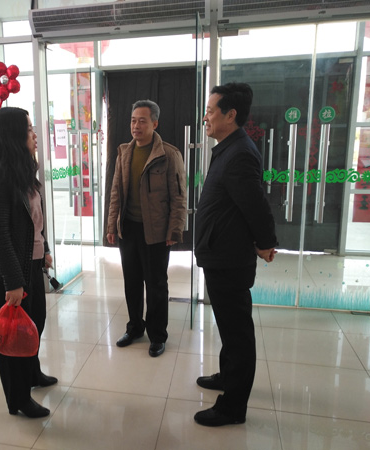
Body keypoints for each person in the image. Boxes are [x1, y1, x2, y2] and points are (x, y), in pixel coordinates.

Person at [193, 82, 277, 427]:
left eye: (210, 111)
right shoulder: (229, 147)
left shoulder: (239, 152)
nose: (205, 118)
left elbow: (255, 205)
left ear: (230, 115)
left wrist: (266, 242)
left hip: (229, 257)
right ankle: (228, 375)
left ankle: (232, 407)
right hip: (220, 253)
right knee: (229, 327)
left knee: (237, 332)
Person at [0, 106, 57, 418]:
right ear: (13, 136)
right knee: (13, 335)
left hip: (30, 261)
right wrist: (13, 283)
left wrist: (44, 250)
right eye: (29, 129)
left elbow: (34, 220)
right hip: (8, 270)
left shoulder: (23, 171)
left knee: (35, 323)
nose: (34, 135)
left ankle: (32, 373)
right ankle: (18, 398)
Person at [106, 99, 187, 358]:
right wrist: (112, 224)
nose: (136, 126)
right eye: (133, 121)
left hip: (156, 231)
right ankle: (134, 328)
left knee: (156, 285)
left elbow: (179, 197)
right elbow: (116, 192)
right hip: (128, 229)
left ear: (155, 123)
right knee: (131, 282)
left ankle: (157, 335)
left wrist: (174, 230)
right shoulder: (124, 152)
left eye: (142, 121)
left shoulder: (169, 154)